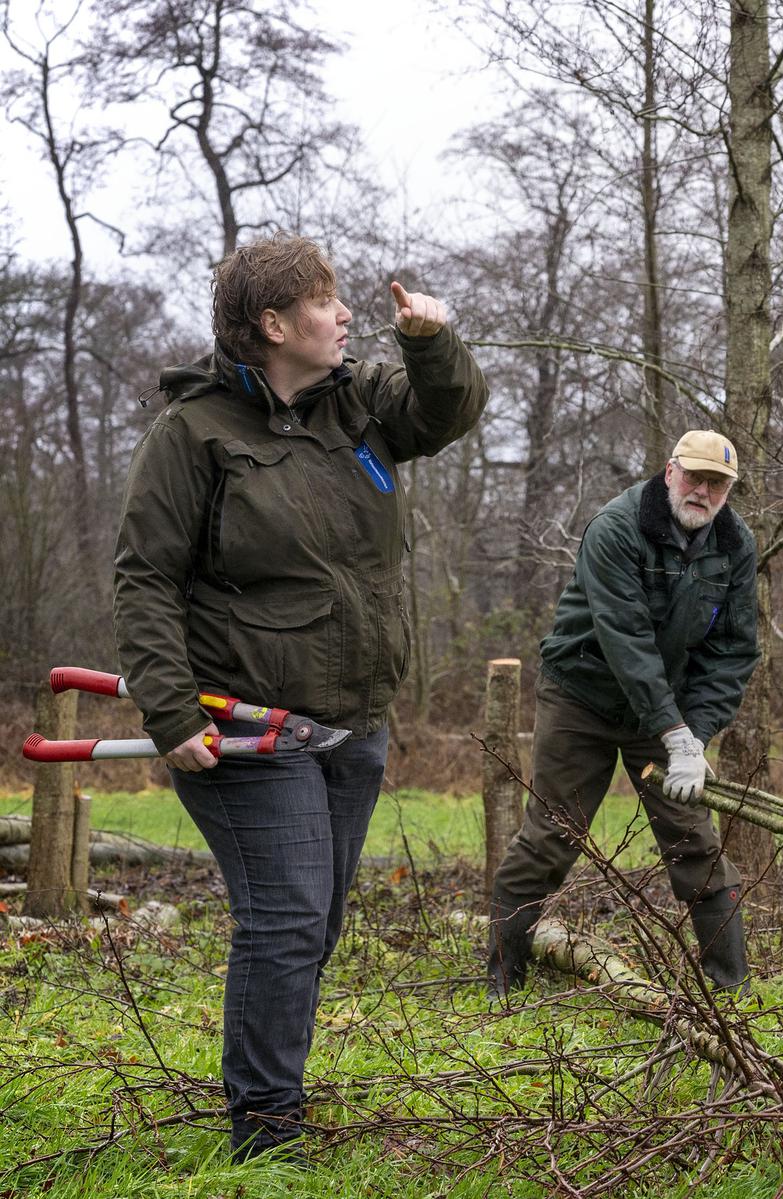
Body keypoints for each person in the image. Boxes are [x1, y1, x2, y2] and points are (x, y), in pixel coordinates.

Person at [113, 235, 488, 1160]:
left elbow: (450, 413)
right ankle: (268, 1128)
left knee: (312, 923)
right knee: (283, 919)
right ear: (274, 325)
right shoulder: (192, 435)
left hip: (353, 721)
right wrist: (168, 711)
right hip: (244, 722)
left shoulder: (358, 404)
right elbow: (144, 579)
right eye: (325, 302)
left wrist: (432, 343)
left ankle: (268, 1094)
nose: (346, 313)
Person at [487, 430, 760, 1002]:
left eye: (718, 484)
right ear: (669, 472)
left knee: (696, 845)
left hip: (665, 713)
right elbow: (626, 640)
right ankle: (503, 979)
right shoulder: (617, 528)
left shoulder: (735, 545)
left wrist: (698, 735)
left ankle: (730, 990)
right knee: (550, 838)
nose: (703, 492)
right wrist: (676, 732)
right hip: (581, 698)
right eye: (695, 478)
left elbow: (731, 651)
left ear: (729, 490)